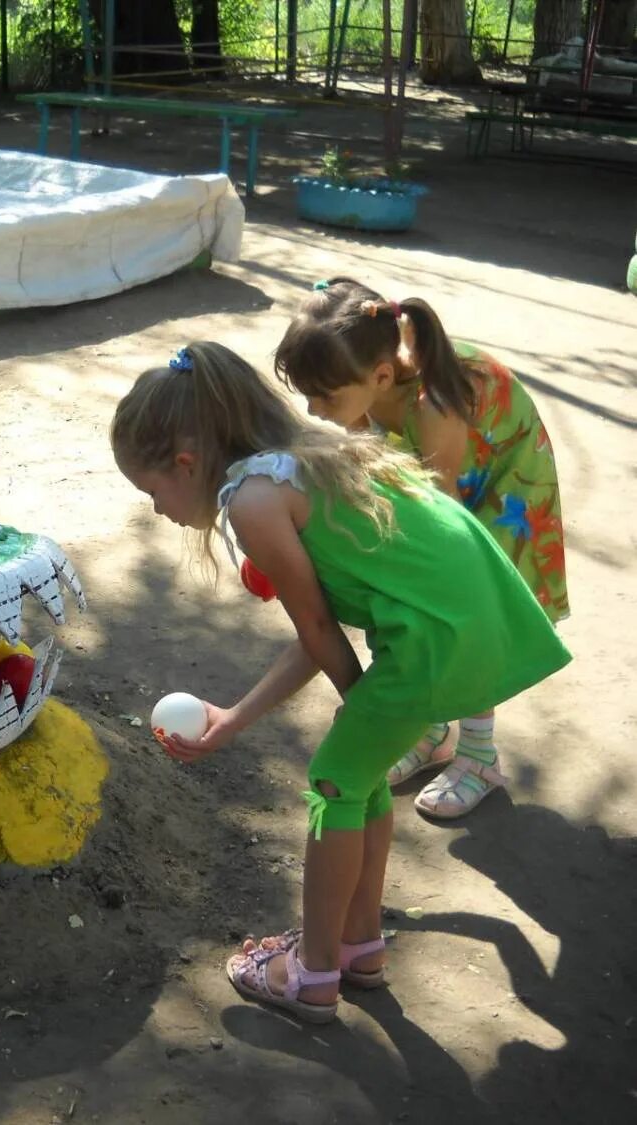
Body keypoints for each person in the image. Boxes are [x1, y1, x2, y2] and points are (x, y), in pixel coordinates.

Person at [109, 342, 568, 1024]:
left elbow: (321, 632)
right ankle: (360, 946)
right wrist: (236, 717)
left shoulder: (253, 501)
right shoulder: (309, 453)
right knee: (362, 772)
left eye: (152, 491)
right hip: (469, 620)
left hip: (437, 640)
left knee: (333, 779)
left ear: (184, 462)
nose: (156, 509)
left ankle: (312, 973)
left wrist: (357, 704)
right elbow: (316, 634)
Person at [275, 278, 568, 817]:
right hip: (447, 483)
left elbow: (443, 522)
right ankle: (432, 729)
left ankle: (479, 755)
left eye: (325, 396)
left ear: (381, 376)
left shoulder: (432, 406)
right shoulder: (370, 382)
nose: (315, 411)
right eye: (308, 395)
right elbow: (374, 462)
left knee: (462, 618)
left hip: (502, 489)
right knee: (408, 596)